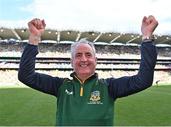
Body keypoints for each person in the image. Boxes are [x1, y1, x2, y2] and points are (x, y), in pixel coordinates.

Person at [18, 15, 158, 126]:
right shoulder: (60, 86)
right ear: (71, 62)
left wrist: (146, 38)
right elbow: (26, 76)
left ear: (96, 61)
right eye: (78, 56)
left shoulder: (109, 87)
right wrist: (34, 38)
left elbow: (143, 80)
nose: (84, 59)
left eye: (88, 55)